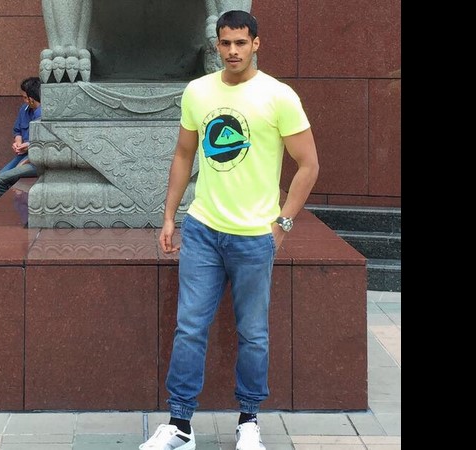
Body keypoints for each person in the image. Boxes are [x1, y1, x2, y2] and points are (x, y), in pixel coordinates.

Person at [140, 10, 319, 450]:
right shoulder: (198, 91)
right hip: (203, 229)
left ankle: (249, 422)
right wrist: (170, 215)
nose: (233, 51)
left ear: (256, 43)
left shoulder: (279, 96)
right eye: (226, 43)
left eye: (241, 42)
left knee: (253, 334)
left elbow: (308, 165)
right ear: (216, 45)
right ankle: (180, 425)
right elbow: (184, 154)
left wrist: (282, 224)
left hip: (255, 236)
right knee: (189, 328)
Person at [0, 77, 42, 203]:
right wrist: (18, 143)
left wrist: (28, 149)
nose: (23, 100)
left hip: (37, 158)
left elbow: (45, 143)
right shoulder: (24, 110)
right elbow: (17, 131)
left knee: (0, 180)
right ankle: (4, 209)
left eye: (25, 97)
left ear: (31, 99)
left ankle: (5, 211)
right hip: (23, 155)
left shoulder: (45, 113)